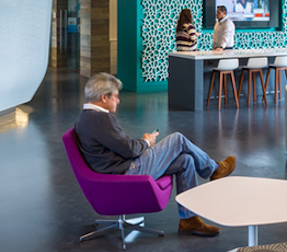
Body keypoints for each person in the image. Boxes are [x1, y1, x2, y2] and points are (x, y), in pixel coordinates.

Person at [74, 73, 236, 236]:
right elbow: (129, 149)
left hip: (120, 167)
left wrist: (142, 141)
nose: (118, 100)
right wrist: (145, 142)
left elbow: (121, 145)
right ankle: (214, 169)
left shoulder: (87, 118)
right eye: (116, 96)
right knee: (177, 139)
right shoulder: (100, 119)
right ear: (104, 98)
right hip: (127, 171)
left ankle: (189, 220)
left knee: (185, 161)